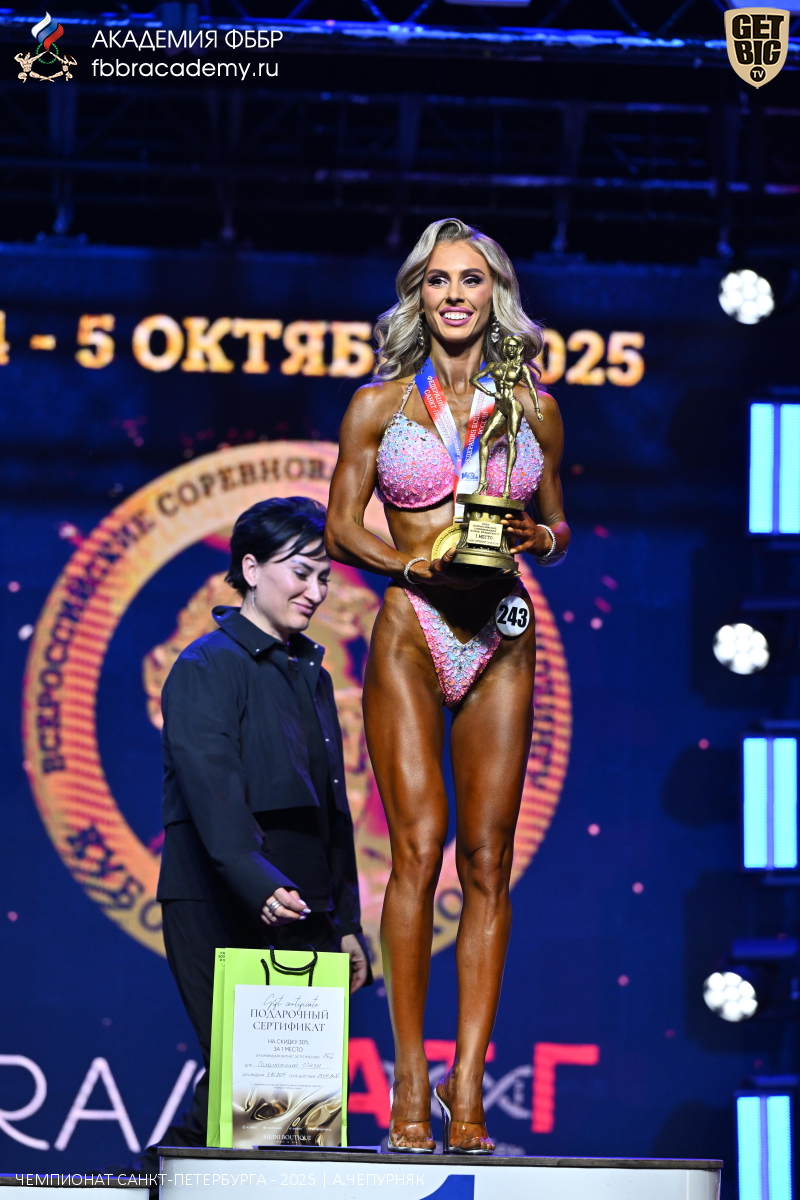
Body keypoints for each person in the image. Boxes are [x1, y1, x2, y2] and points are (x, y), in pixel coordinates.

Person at [326, 218, 569, 1154]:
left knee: (487, 862)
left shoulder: (535, 409)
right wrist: (408, 564)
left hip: (502, 633)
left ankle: (467, 1088)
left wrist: (537, 538)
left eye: (471, 280)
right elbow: (341, 526)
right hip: (413, 628)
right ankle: (408, 1082)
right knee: (417, 851)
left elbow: (559, 527)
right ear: (418, 296)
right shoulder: (378, 405)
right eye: (438, 281)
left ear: (495, 293)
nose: (455, 295)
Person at [155, 496, 371, 1150]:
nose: (315, 591)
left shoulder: (312, 674)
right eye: (300, 572)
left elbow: (332, 809)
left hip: (304, 901)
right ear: (250, 568)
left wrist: (347, 923)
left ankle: (166, 1181)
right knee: (245, 1076)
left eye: (323, 577)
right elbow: (212, 787)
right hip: (220, 895)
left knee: (289, 1105)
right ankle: (156, 1184)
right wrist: (257, 881)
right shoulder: (206, 665)